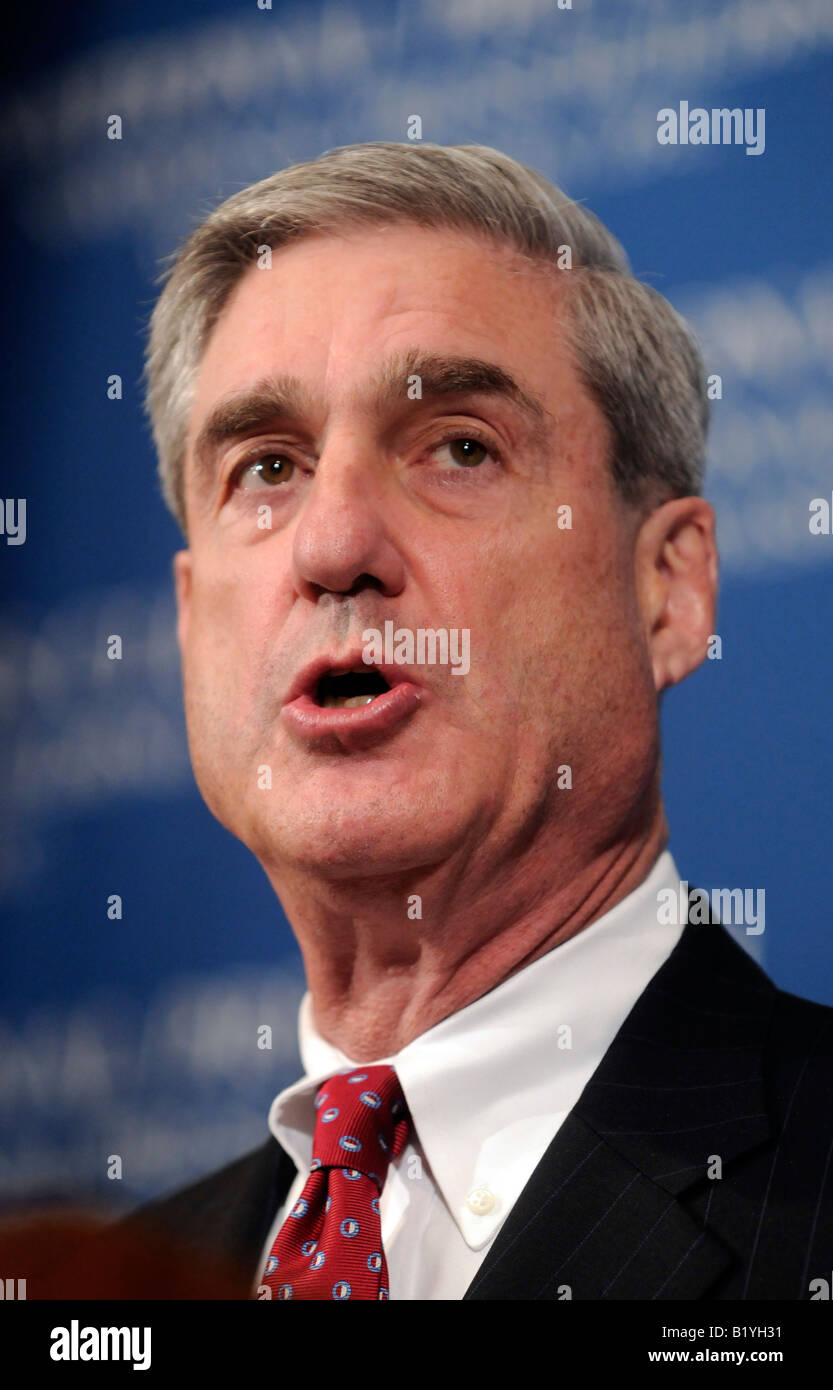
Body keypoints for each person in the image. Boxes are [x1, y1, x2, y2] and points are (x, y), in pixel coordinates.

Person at [126, 141, 833, 1300]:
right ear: (191, 618)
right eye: (266, 467)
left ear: (667, 586)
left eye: (458, 447)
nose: (332, 544)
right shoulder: (124, 1290)